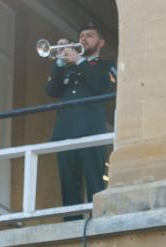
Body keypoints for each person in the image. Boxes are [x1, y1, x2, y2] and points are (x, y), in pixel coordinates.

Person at [45, 20, 115, 211]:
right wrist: (60, 62)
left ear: (101, 42)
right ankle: (71, 221)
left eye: (89, 35)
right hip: (65, 131)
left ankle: (97, 218)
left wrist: (79, 60)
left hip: (90, 130)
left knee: (94, 181)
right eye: (82, 36)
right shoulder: (68, 67)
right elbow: (52, 90)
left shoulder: (106, 66)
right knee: (68, 184)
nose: (84, 39)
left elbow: (101, 87)